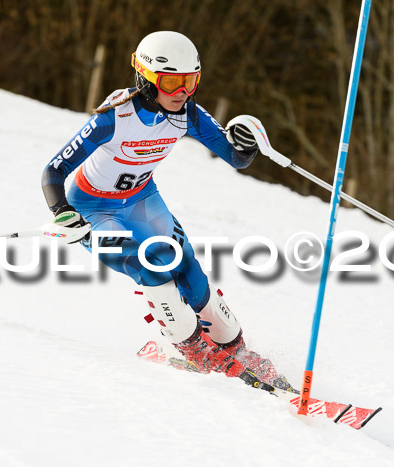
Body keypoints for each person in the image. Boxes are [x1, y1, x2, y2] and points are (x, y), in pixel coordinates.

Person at [41, 31, 292, 391]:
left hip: (142, 199)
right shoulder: (115, 117)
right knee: (151, 265)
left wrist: (247, 142)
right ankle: (193, 347)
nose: (183, 92)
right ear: (145, 79)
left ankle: (233, 348)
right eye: (172, 82)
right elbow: (52, 172)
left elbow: (236, 158)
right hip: (94, 208)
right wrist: (62, 212)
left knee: (184, 264)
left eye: (191, 81)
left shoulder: (187, 113)